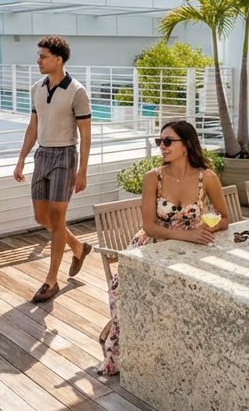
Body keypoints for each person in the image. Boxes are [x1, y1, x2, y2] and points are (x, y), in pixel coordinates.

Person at [96, 120, 230, 376]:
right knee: (126, 293)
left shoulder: (207, 178)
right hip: (150, 250)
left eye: (168, 141)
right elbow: (149, 227)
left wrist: (208, 229)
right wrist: (188, 235)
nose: (162, 147)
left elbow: (224, 217)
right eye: (160, 142)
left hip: (190, 255)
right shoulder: (153, 178)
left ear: (186, 145)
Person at [13, 36, 94, 303]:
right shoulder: (37, 88)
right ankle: (78, 247)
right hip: (42, 155)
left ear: (58, 60)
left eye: (43, 56)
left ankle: (51, 281)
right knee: (42, 217)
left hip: (65, 156)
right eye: (39, 56)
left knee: (57, 218)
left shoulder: (77, 92)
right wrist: (22, 158)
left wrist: (82, 171)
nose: (38, 60)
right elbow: (33, 126)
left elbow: (85, 135)